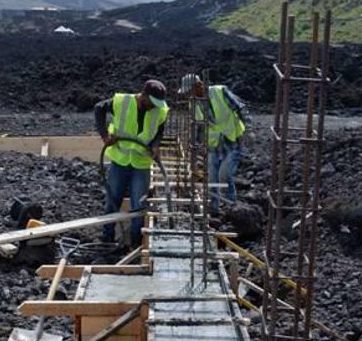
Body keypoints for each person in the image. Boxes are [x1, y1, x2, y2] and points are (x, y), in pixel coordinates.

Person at [94, 79, 170, 247]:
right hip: (120, 160)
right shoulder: (123, 102)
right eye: (152, 102)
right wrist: (105, 135)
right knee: (113, 200)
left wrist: (156, 145)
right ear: (143, 95)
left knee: (139, 206)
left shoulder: (160, 110)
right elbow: (99, 108)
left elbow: (159, 130)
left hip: (142, 163)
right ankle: (107, 239)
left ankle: (135, 245)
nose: (155, 106)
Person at [180, 74, 250, 216]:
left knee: (224, 175)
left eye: (189, 91)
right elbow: (197, 127)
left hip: (232, 139)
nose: (188, 95)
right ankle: (214, 209)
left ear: (199, 85)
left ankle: (232, 206)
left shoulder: (220, 92)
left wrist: (248, 130)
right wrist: (194, 143)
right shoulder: (194, 103)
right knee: (212, 178)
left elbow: (240, 108)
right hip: (213, 144)